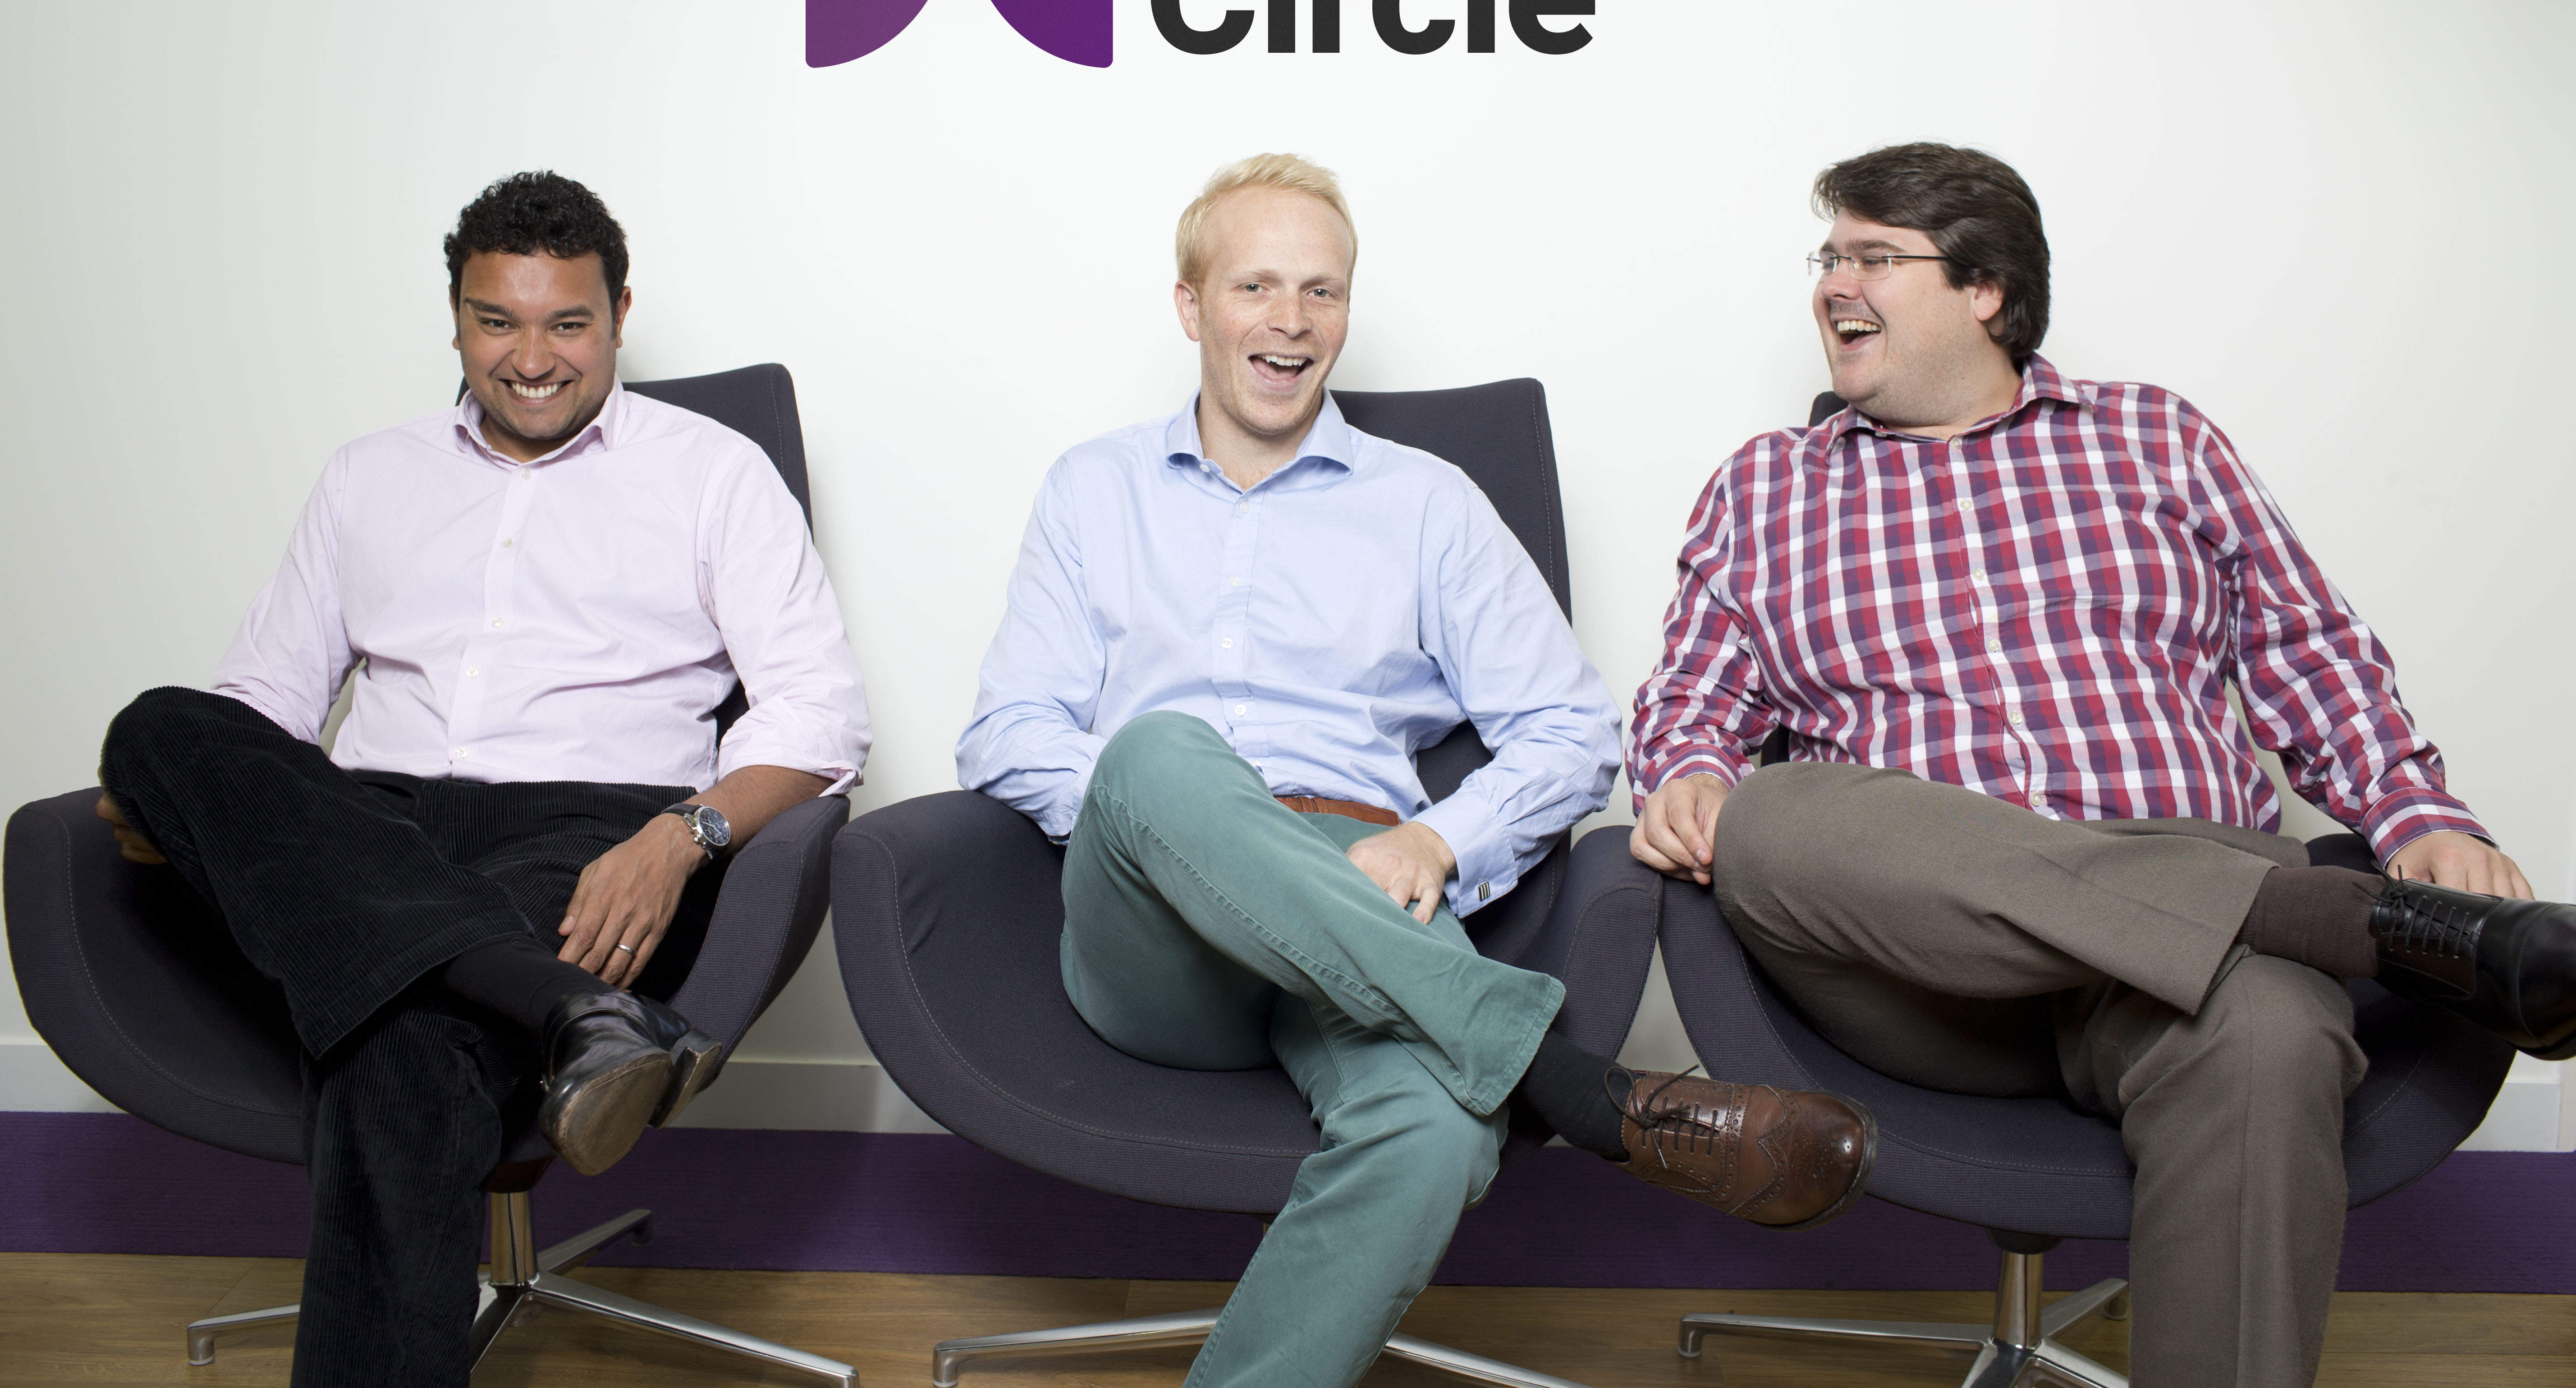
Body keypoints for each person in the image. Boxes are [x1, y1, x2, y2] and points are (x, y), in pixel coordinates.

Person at [1628, 141, 2576, 1388]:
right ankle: (2347, 925)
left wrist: (2416, 816)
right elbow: (1687, 704)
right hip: (1918, 975)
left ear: (1986, 290)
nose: (1832, 285)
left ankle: (2297, 924)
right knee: (1776, 815)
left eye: (1872, 257)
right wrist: (1689, 769)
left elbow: (2306, 652)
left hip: (2178, 964)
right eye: (1829, 256)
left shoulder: (2156, 439)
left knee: (2273, 1033)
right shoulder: (1766, 488)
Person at [958, 153, 1875, 1388]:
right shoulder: (1093, 489)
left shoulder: (1429, 504)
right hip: (1156, 926)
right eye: (1256, 287)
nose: (1291, 321)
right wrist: (1184, 828)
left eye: (1322, 292)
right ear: (1191, 306)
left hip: (1367, 885)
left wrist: (1440, 839)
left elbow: (1570, 727)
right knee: (1162, 752)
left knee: (1438, 1130)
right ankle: (1575, 1088)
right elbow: (1009, 729)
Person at [94, 171, 869, 1388]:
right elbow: (264, 701)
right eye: (498, 322)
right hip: (368, 826)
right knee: (156, 729)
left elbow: (822, 716)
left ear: (620, 316)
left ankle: (551, 998)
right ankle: (571, 1011)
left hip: (591, 836)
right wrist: (196, 799)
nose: (533, 360)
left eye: (569, 324)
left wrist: (682, 839)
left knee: (400, 1040)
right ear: (455, 318)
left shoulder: (714, 475)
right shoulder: (369, 475)